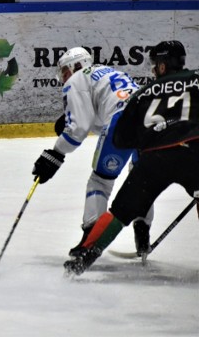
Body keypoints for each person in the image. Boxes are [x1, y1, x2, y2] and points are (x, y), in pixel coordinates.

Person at [64, 40, 199, 275]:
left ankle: (82, 259)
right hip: (195, 150)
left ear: (163, 67)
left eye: (155, 65)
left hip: (155, 158)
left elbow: (124, 136)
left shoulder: (144, 93)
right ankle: (141, 232)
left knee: (118, 213)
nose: (154, 70)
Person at [31, 47, 153, 257]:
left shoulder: (76, 80)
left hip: (122, 124)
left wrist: (55, 154)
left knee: (100, 181)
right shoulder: (110, 71)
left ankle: (91, 239)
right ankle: (142, 233)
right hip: (149, 120)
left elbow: (78, 130)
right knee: (141, 178)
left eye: (64, 71)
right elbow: (103, 114)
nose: (64, 77)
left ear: (75, 66)